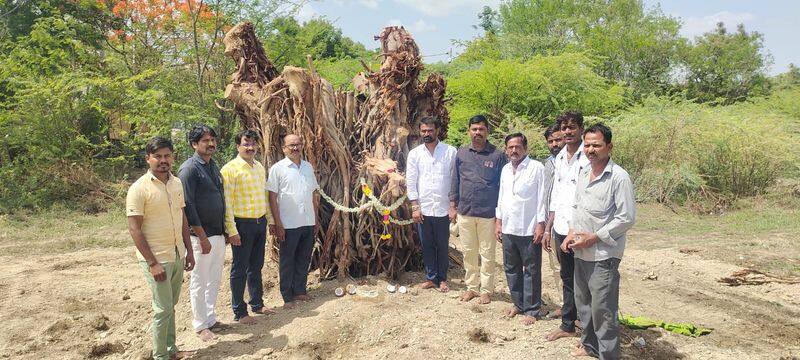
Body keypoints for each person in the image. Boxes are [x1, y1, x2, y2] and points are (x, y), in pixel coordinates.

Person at [560, 123, 636, 359]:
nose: (591, 149)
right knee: (584, 305)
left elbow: (626, 218)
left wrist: (594, 238)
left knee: (603, 310)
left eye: (596, 145)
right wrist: (571, 233)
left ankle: (608, 355)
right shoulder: (584, 173)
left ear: (609, 147)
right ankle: (590, 347)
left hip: (603, 255)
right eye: (588, 144)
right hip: (581, 252)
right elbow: (577, 206)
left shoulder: (619, 177)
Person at [126, 137, 195, 360]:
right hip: (156, 258)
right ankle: (160, 356)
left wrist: (188, 250)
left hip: (176, 253)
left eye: (167, 156)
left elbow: (182, 217)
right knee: (162, 309)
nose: (163, 160)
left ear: (172, 157)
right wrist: (152, 263)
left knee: (170, 306)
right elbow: (135, 229)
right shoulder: (139, 189)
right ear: (148, 158)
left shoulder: (176, 183)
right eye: (157, 156)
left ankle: (171, 351)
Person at [177, 125, 229, 341]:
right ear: (194, 144)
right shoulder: (189, 169)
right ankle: (200, 325)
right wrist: (202, 236)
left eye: (212, 139)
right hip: (200, 237)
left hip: (217, 233)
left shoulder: (213, 165)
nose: (210, 143)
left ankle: (210, 318)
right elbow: (187, 205)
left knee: (214, 278)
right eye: (205, 140)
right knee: (199, 280)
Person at [449, 114, 507, 304]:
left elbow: (504, 185)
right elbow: (455, 180)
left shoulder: (497, 155)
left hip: (488, 213)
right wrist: (452, 205)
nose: (477, 133)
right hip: (465, 211)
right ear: (469, 131)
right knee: (468, 251)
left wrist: (501, 214)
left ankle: (486, 290)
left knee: (487, 253)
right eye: (474, 129)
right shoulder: (462, 153)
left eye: (481, 129)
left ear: (487, 131)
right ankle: (472, 287)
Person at [221, 130, 274, 324]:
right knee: (239, 268)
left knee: (256, 266)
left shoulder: (259, 166)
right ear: (238, 146)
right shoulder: (230, 169)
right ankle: (239, 311)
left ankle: (257, 304)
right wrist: (232, 230)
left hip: (260, 222)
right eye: (246, 144)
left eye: (253, 144)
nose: (250, 147)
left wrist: (271, 220)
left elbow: (265, 196)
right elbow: (227, 203)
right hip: (242, 224)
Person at [546, 111, 590, 342]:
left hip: (581, 230)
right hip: (560, 227)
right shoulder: (560, 157)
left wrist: (574, 229)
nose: (568, 131)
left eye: (572, 127)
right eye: (564, 128)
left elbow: (584, 198)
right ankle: (568, 323)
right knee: (567, 276)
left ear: (581, 129)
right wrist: (549, 227)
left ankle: (587, 325)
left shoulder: (588, 157)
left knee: (583, 279)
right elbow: (556, 195)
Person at [495, 133, 548, 326]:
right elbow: (502, 196)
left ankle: (532, 309)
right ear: (506, 149)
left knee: (531, 270)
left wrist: (541, 224)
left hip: (529, 227)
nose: (514, 150)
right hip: (509, 227)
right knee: (511, 269)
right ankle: (518, 303)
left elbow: (542, 198)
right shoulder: (505, 169)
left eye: (517, 147)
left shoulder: (537, 168)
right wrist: (498, 221)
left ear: (525, 148)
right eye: (510, 147)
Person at [267, 134, 320, 309]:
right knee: (287, 259)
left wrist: (316, 219)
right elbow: (272, 197)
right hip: (288, 223)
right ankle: (287, 296)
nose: (295, 148)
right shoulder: (278, 168)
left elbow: (313, 194)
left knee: (304, 258)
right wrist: (277, 222)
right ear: (283, 148)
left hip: (307, 220)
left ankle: (300, 291)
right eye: (291, 145)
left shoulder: (307, 167)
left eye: (298, 144)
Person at [406, 117, 457, 292]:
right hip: (424, 208)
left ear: (437, 130)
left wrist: (453, 205)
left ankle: (442, 279)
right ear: (420, 132)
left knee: (442, 244)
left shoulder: (450, 151)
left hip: (443, 208)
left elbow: (454, 180)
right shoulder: (415, 154)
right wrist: (415, 206)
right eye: (423, 131)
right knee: (427, 244)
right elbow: (411, 181)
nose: (427, 134)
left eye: (430, 130)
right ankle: (430, 277)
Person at [541, 123, 565, 314]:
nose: (555, 144)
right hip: (552, 223)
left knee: (573, 269)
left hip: (570, 224)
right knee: (556, 266)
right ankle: (566, 305)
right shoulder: (548, 163)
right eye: (551, 141)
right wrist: (546, 226)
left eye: (558, 139)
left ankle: (579, 311)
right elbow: (546, 197)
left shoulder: (579, 162)